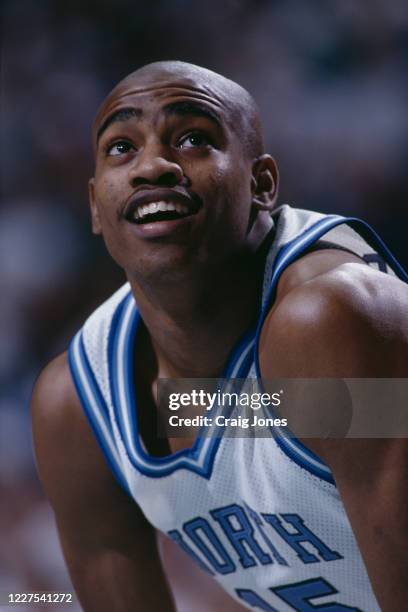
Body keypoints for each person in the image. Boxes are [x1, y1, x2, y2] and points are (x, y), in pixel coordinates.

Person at [32, 61, 408, 612]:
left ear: (262, 185)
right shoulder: (81, 404)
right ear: (95, 204)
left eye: (192, 139)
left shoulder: (331, 320)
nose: (152, 165)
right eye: (121, 147)